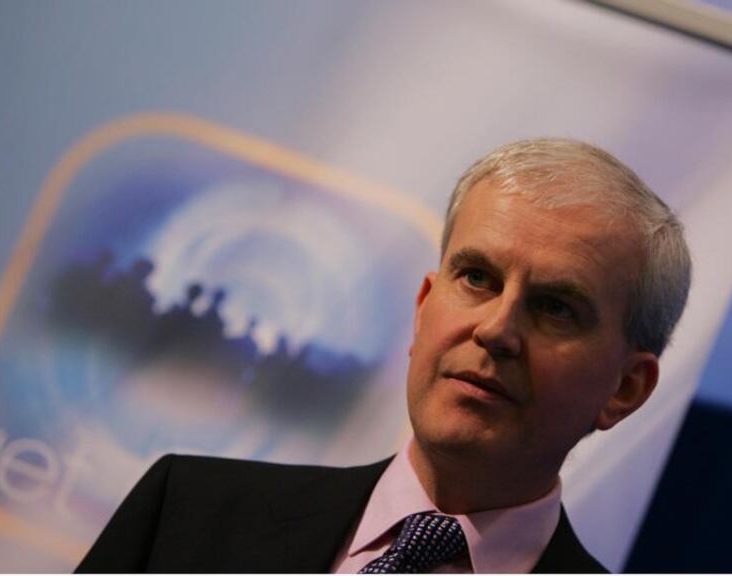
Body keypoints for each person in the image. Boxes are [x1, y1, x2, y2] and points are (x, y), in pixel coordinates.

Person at [75, 138, 692, 574]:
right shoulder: (187, 514)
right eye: (477, 278)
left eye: (556, 308)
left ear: (626, 388)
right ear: (424, 308)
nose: (496, 330)